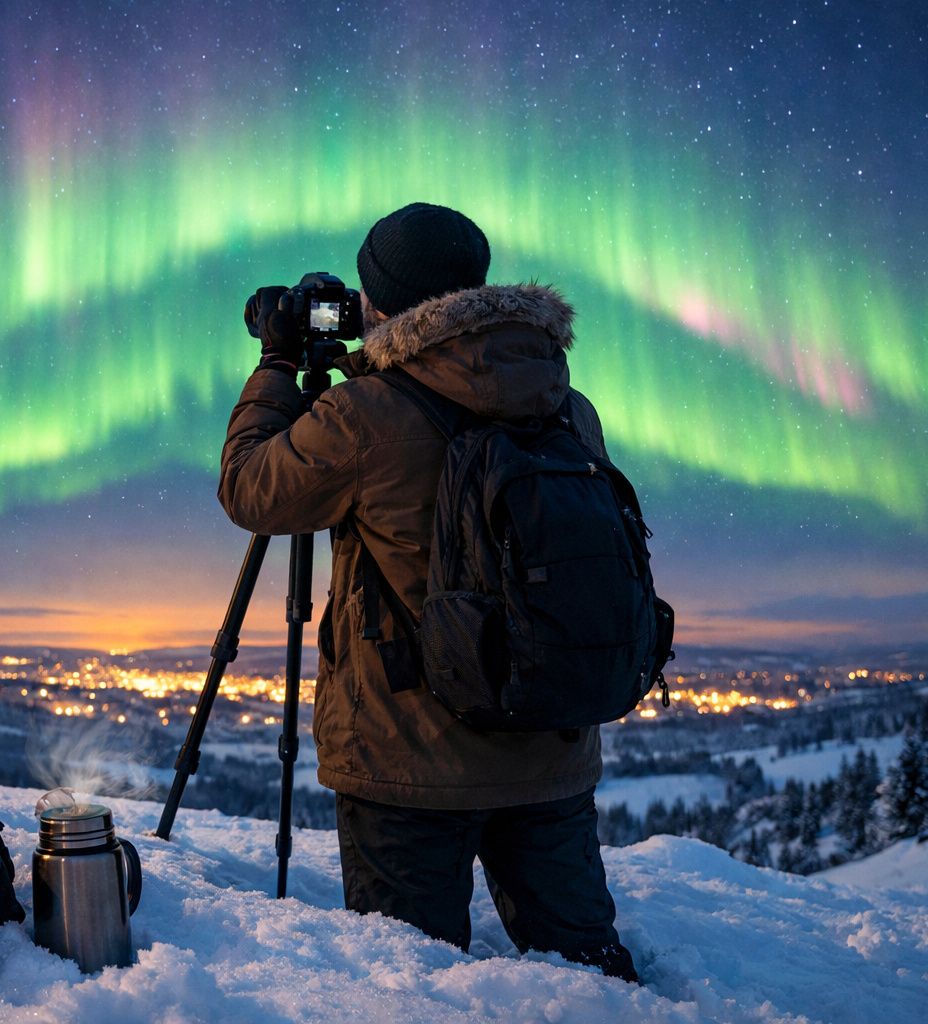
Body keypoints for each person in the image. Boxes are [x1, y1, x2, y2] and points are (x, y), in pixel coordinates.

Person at [218, 202, 639, 982]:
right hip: (549, 740)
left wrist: (277, 364)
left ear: (379, 303)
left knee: (412, 985)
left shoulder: (363, 414)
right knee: (588, 974)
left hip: (408, 760)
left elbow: (250, 489)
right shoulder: (564, 405)